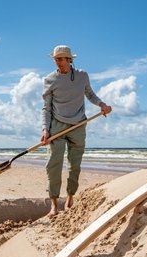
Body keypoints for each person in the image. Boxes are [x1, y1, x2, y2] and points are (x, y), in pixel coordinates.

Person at [41, 45, 112, 217]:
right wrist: (45, 129)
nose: (58, 63)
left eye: (61, 59)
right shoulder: (50, 80)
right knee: (53, 165)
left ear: (69, 60)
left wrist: (102, 105)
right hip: (57, 125)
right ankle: (54, 204)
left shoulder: (82, 76)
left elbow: (90, 94)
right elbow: (46, 108)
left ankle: (70, 197)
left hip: (79, 125)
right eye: (56, 59)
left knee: (75, 165)